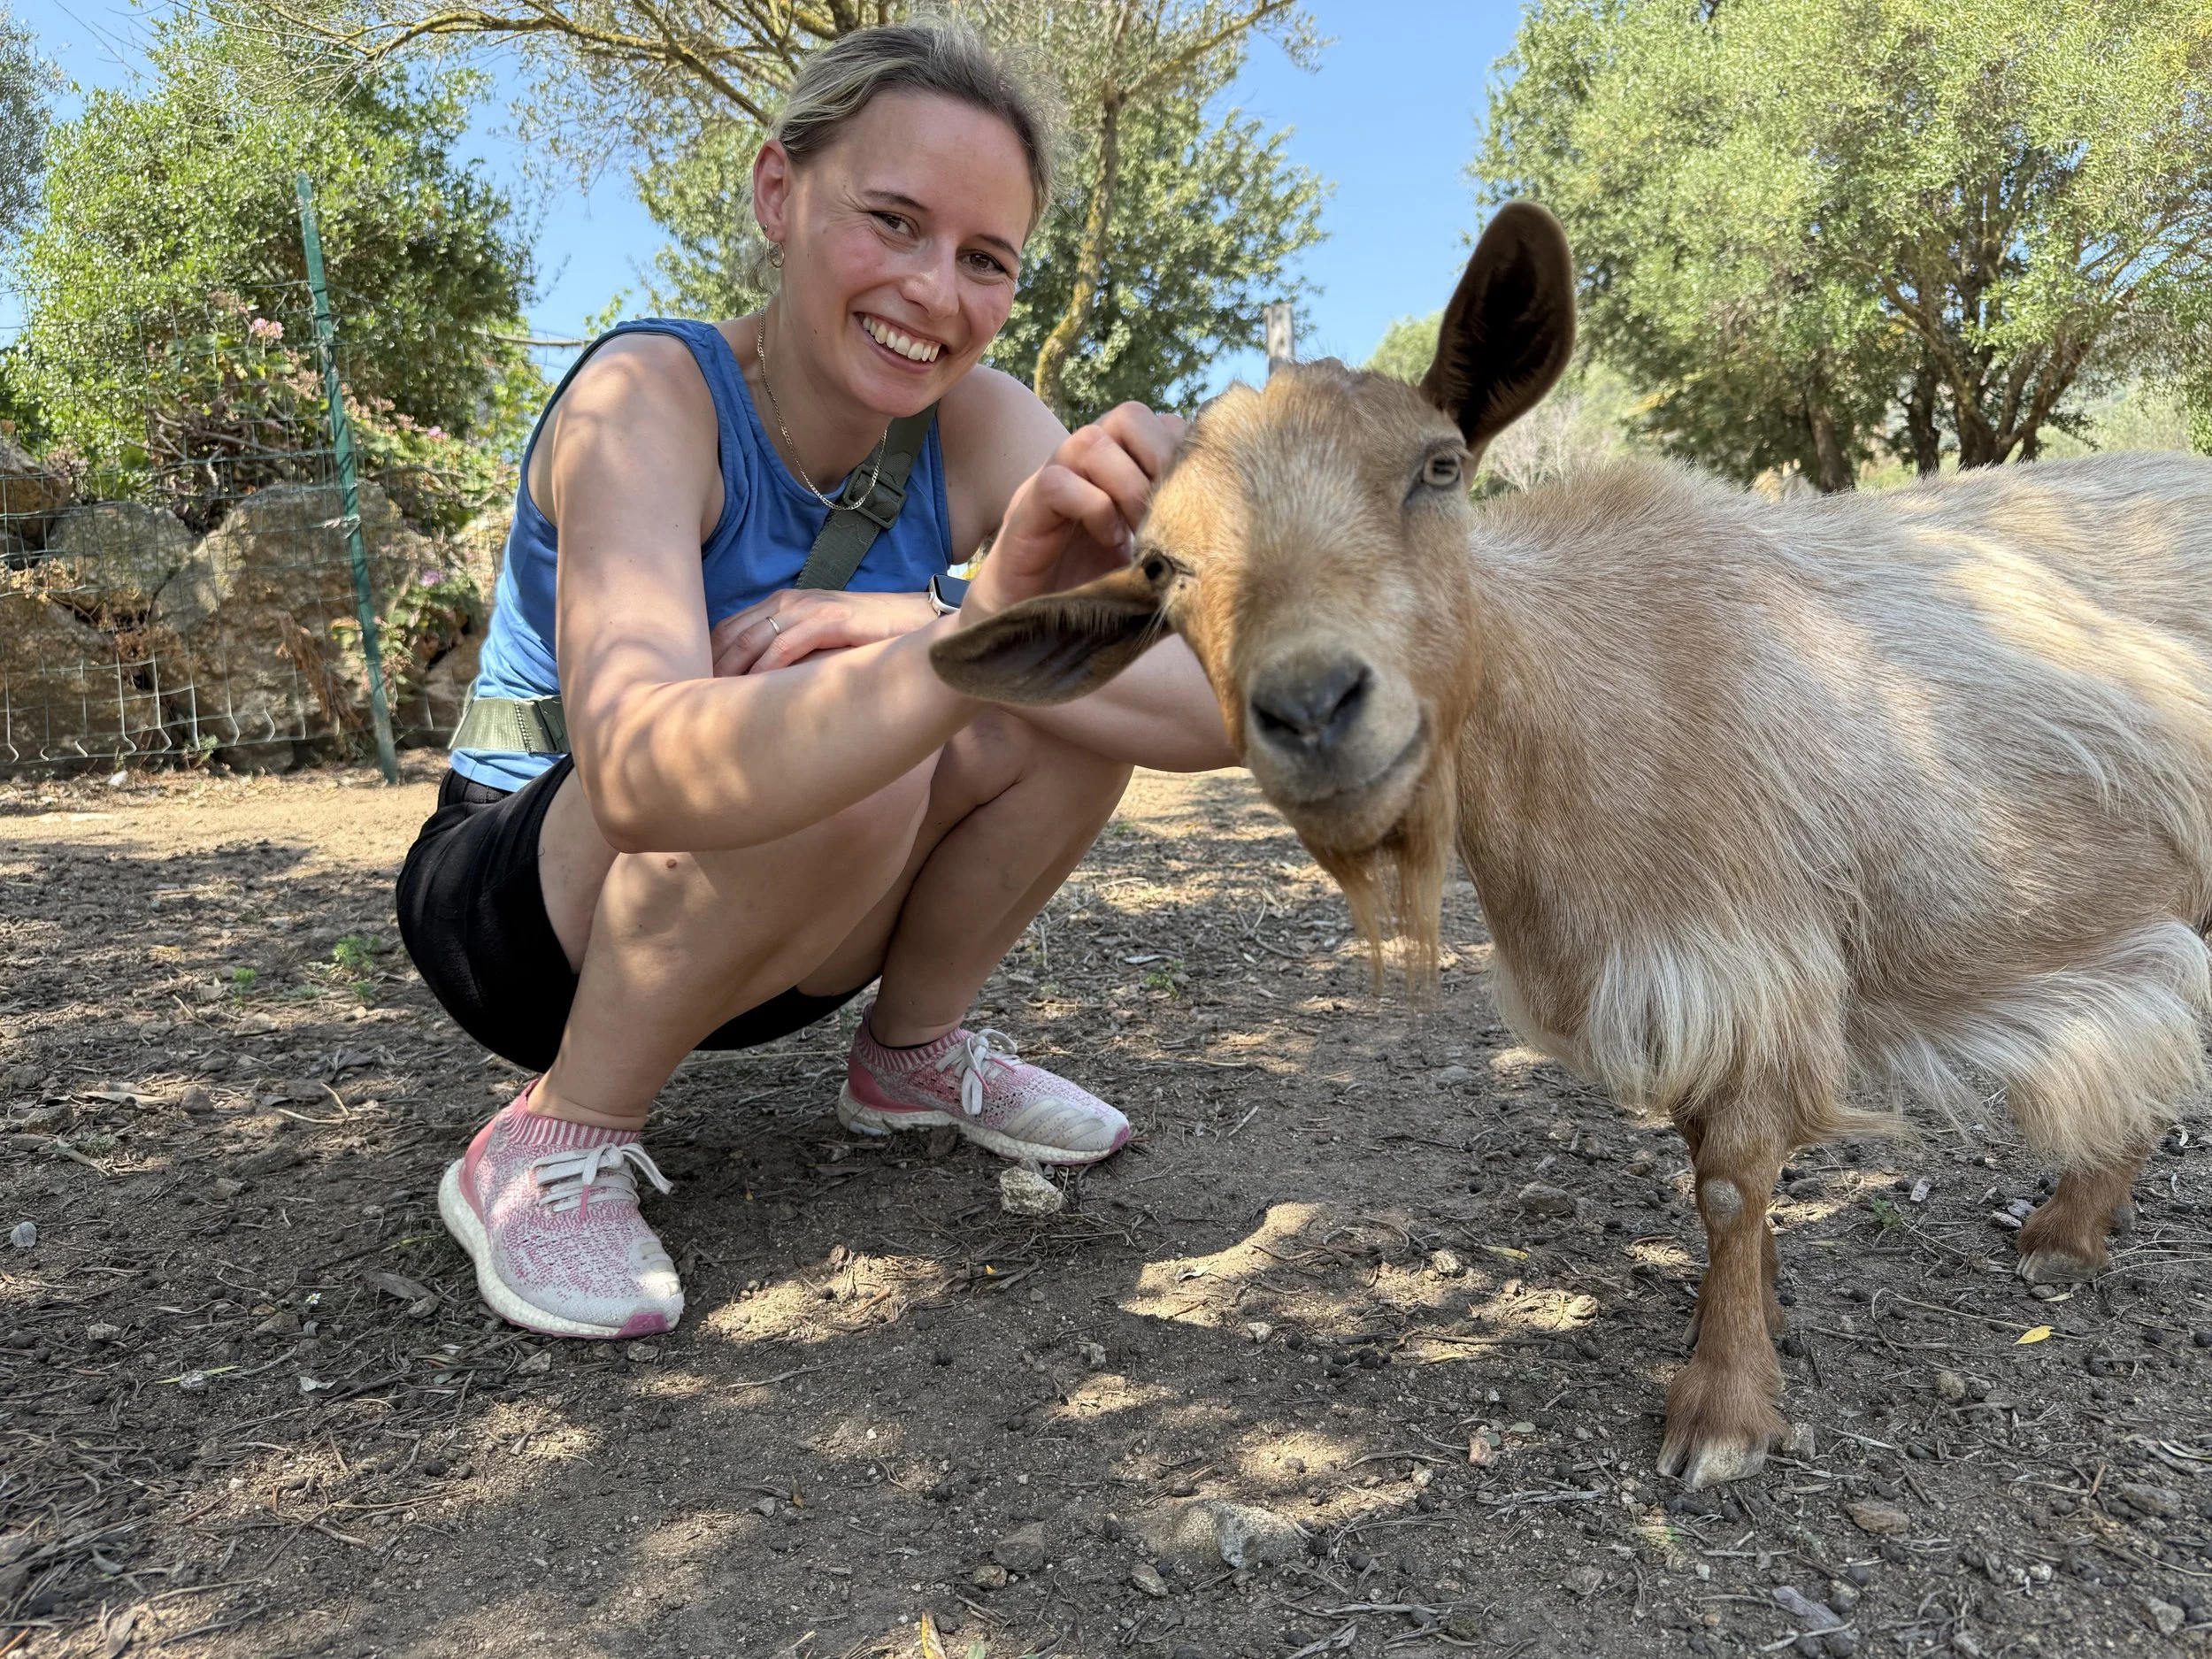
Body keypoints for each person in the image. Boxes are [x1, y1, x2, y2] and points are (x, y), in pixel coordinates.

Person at [395, 22, 1234, 1341]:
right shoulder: (647, 397)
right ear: (778, 194)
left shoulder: (981, 425)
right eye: (892, 221)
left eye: (984, 259)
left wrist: (930, 613)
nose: (934, 292)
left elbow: (1218, 705)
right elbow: (637, 769)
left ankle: (913, 1056)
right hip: (524, 914)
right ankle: (557, 1129)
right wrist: (957, 649)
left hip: (778, 918)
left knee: (1067, 701)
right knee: (888, 727)